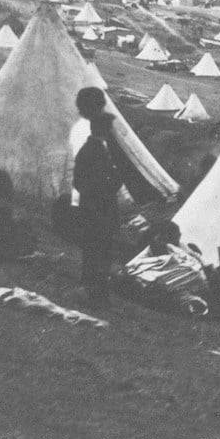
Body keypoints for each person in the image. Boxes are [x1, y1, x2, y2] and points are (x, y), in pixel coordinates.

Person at [70, 86, 141, 308]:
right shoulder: (97, 152)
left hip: (93, 209)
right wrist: (114, 181)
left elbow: (79, 181)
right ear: (103, 130)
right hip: (100, 211)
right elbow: (101, 182)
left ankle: (93, 291)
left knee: (94, 252)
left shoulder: (89, 150)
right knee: (100, 253)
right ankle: (95, 294)